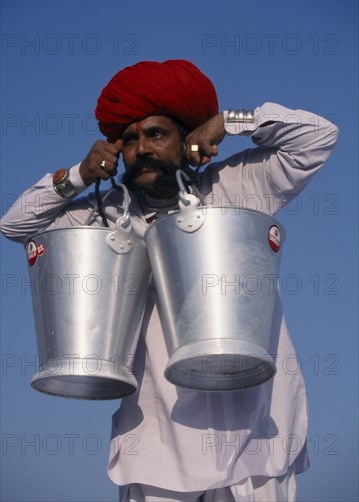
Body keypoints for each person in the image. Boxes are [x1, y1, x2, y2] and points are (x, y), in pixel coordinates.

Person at [1, 59, 338, 502]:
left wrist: (229, 123)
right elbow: (15, 226)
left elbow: (318, 136)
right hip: (157, 447)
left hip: (259, 440)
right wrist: (78, 177)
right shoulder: (105, 213)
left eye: (156, 135)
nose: (140, 148)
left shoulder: (238, 186)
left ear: (187, 140)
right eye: (129, 140)